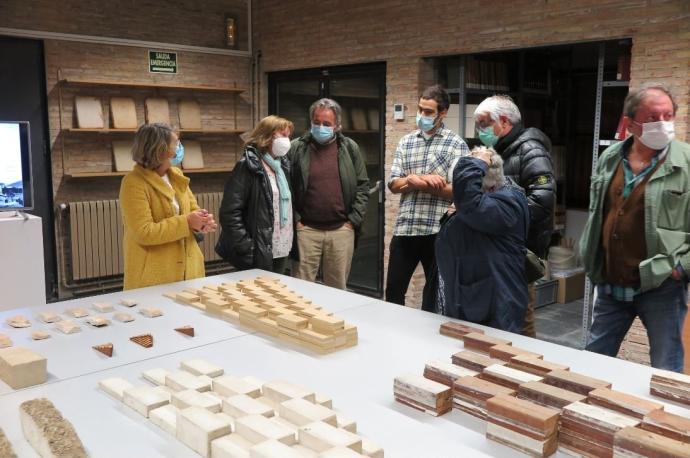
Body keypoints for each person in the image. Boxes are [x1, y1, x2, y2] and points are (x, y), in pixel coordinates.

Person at [580, 82, 690, 372]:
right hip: (610, 283)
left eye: (668, 116)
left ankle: (666, 417)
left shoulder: (687, 163)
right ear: (630, 123)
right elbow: (598, 212)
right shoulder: (610, 157)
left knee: (666, 367)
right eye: (653, 118)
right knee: (594, 359)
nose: (663, 124)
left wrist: (681, 267)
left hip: (662, 286)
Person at [474, 95, 554, 337]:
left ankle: (524, 370)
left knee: (520, 318)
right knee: (498, 316)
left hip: (518, 251)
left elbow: (543, 199)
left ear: (504, 121)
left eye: (484, 123)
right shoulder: (497, 150)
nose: (480, 130)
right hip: (496, 248)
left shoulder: (530, 149)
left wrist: (498, 217)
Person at [387, 84, 469, 307]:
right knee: (393, 291)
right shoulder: (406, 142)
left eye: (428, 112)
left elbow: (461, 191)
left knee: (434, 297)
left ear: (443, 113)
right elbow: (394, 184)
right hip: (406, 228)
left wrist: (418, 183)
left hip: (438, 232)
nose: (422, 115)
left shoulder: (456, 145)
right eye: (420, 109)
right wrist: (417, 178)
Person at [436, 146, 529, 332]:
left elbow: (470, 204)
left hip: (492, 308)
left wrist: (472, 164)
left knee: (492, 358)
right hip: (474, 302)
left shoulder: (506, 204)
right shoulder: (489, 199)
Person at [120, 123, 216, 290]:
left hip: (189, 270)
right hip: (154, 276)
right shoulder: (133, 183)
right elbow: (143, 232)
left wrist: (202, 221)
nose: (180, 147)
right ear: (160, 149)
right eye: (176, 143)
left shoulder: (176, 175)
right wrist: (187, 222)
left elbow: (192, 208)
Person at [288, 98, 369, 289]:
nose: (320, 127)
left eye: (326, 124)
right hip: (306, 231)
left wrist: (352, 221)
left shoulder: (349, 148)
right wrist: (297, 220)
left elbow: (363, 186)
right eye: (316, 123)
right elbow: (286, 188)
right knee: (300, 291)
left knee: (337, 291)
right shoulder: (296, 148)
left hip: (341, 231)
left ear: (337, 126)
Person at [216, 115, 294, 274]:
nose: (287, 140)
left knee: (278, 294)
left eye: (288, 136)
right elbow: (229, 212)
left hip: (281, 244)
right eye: (283, 135)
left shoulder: (282, 165)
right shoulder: (248, 166)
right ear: (267, 136)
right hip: (258, 247)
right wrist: (246, 246)